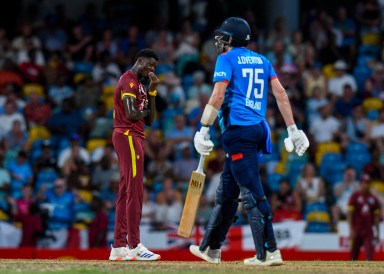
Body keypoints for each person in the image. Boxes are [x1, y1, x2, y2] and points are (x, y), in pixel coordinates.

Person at [189, 17, 309, 266]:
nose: (219, 40)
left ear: (231, 38)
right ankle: (211, 249)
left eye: (223, 36)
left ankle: (269, 251)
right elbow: (281, 95)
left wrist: (203, 129)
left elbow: (218, 94)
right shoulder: (262, 60)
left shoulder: (226, 59)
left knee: (252, 193)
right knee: (227, 193)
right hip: (257, 129)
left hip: (239, 131)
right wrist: (292, 129)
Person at [108, 48, 161, 261]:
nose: (151, 69)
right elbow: (132, 114)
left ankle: (119, 246)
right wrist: (146, 110)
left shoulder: (140, 85)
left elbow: (150, 120)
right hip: (128, 135)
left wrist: (152, 92)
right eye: (149, 64)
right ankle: (135, 245)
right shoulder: (129, 80)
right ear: (139, 60)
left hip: (134, 135)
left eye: (154, 67)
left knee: (125, 191)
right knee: (135, 190)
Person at [348, 174, 381, 261]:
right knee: (353, 257)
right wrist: (351, 229)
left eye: (368, 183)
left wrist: (377, 232)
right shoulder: (355, 196)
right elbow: (350, 214)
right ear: (361, 183)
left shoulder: (373, 199)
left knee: (369, 257)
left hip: (368, 231)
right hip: (357, 230)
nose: (366, 185)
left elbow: (376, 217)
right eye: (364, 183)